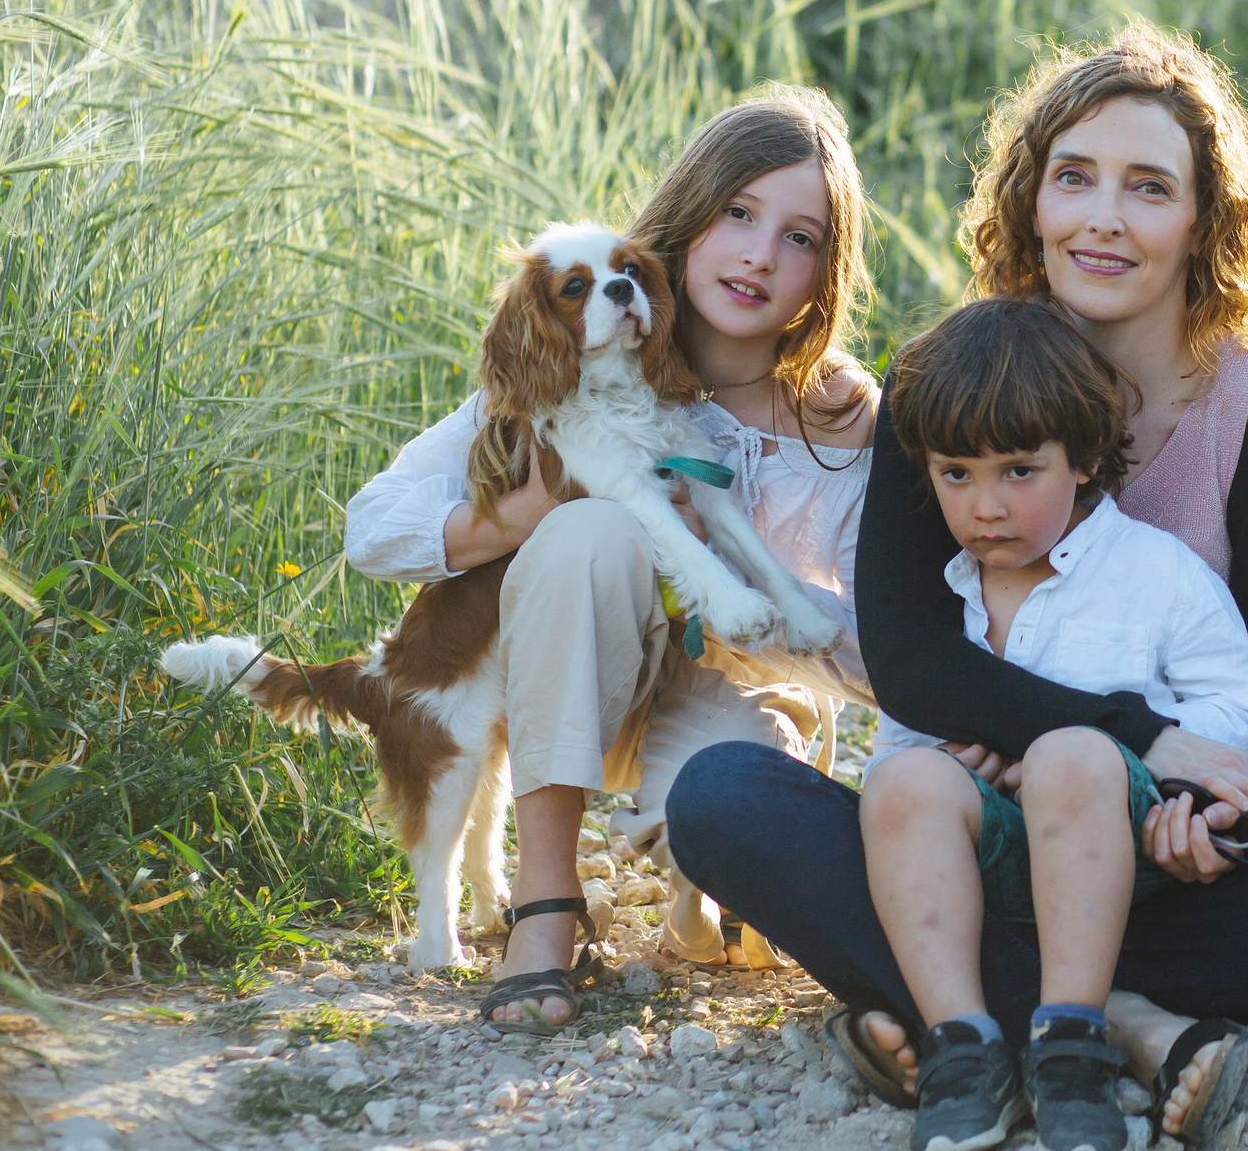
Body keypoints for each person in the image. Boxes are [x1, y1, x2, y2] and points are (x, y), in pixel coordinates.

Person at [667, 23, 1248, 1145]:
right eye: (1073, 179)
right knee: (723, 798)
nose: (1103, 219)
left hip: (1168, 861)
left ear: (1202, 221)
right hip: (960, 835)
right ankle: (1126, 1018)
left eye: (1148, 188)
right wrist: (1135, 733)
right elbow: (915, 661)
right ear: (1031, 203)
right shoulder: (947, 382)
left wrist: (1197, 806)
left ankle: (958, 1007)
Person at [343, 85, 880, 1033]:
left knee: (741, 822)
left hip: (731, 689)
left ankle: (700, 900)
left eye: (801, 237)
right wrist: (539, 505)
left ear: (824, 275)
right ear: (690, 214)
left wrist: (749, 587)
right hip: (575, 678)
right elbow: (373, 528)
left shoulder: (835, 417)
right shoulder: (573, 369)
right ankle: (544, 904)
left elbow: (881, 647)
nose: (761, 252)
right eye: (739, 213)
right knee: (588, 532)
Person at [863, 298, 1248, 1151]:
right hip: (989, 863)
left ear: (1086, 458)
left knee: (1074, 753)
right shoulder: (944, 597)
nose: (986, 506)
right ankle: (963, 1048)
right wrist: (950, 755)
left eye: (1020, 471)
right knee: (900, 783)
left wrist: (1185, 793)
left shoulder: (1153, 571)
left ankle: (1072, 1046)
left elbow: (1244, 704)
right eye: (956, 474)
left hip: (1122, 852)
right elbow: (904, 743)